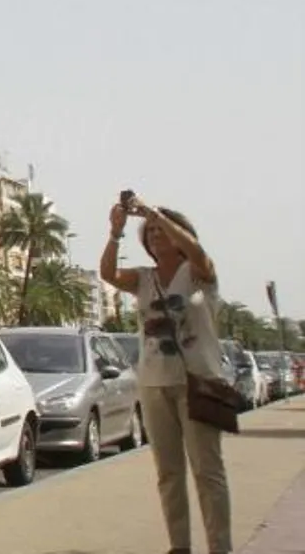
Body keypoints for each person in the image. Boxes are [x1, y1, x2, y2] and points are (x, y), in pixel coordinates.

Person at [100, 196, 233, 554]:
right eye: (151, 232)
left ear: (180, 234)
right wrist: (115, 232)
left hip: (200, 382)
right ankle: (180, 546)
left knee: (208, 472)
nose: (156, 234)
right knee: (168, 473)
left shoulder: (199, 273)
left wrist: (155, 213)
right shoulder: (142, 278)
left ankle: (220, 547)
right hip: (155, 383)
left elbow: (197, 252)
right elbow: (108, 274)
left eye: (162, 229)